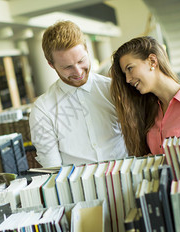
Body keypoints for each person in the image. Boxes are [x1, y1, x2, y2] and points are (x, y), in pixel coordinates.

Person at [28, 20, 128, 167]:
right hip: (78, 187)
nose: (78, 72)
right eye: (67, 67)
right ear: (51, 64)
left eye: (81, 61)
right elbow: (53, 167)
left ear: (87, 50)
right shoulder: (42, 110)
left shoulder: (114, 89)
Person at [109, 36, 180, 156]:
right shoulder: (150, 110)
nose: (127, 79)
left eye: (130, 68)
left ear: (152, 61)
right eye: (125, 74)